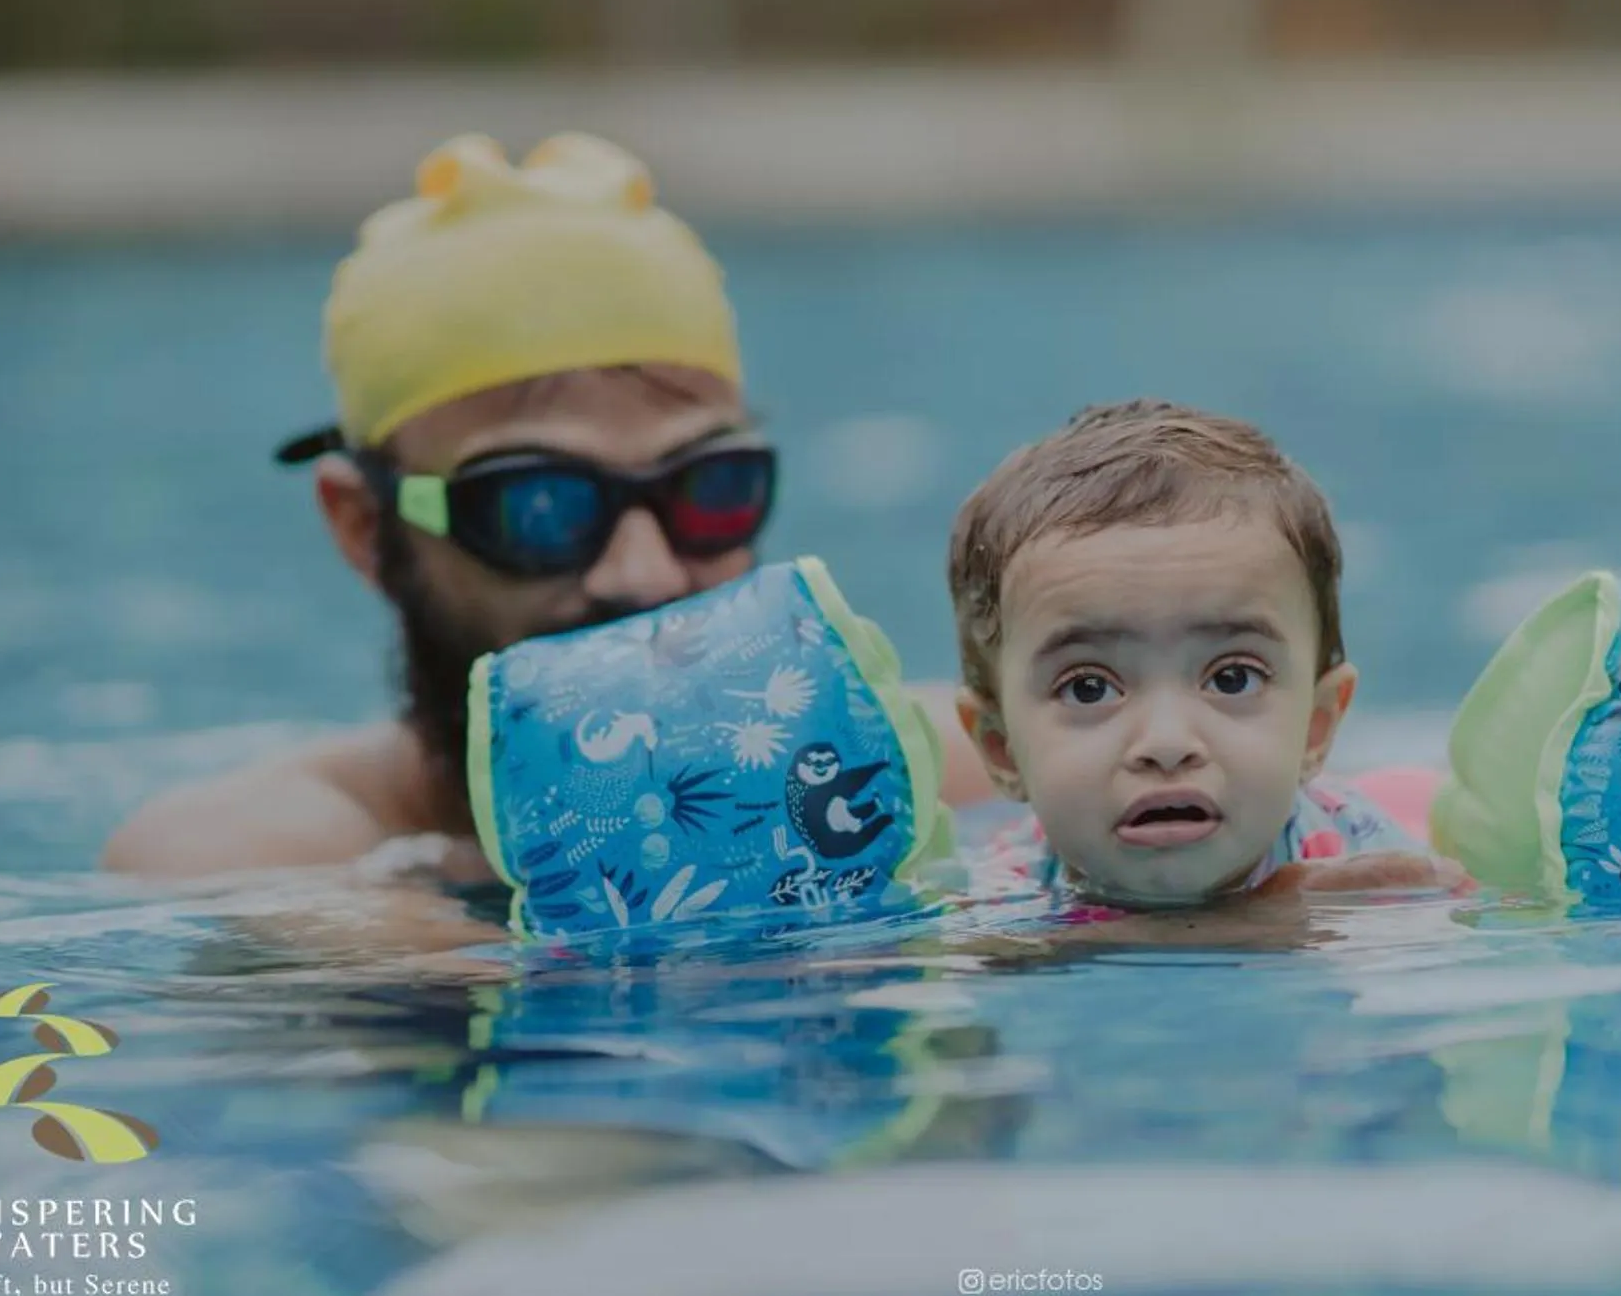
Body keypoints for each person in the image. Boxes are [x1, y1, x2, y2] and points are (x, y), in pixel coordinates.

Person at [102, 130, 990, 891]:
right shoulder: (259, 858)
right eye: (540, 504)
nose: (642, 571)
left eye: (709, 487)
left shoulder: (973, 768)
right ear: (365, 526)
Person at [944, 399, 1466, 910]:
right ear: (1001, 749)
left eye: (1233, 678)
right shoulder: (1001, 892)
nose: (1167, 744)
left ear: (1317, 725)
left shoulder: (1368, 867)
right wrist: (1262, 921)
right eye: (1089, 687)